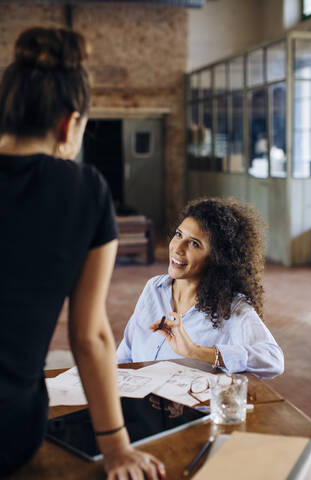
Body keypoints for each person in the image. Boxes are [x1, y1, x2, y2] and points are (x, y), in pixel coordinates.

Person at [0, 27, 165, 479]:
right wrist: (115, 448)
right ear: (70, 124)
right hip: (8, 434)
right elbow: (89, 337)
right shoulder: (82, 190)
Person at [117, 197, 284, 379]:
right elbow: (127, 349)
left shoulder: (231, 308)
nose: (177, 248)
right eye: (179, 235)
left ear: (217, 258)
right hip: (137, 400)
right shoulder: (154, 287)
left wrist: (195, 351)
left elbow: (273, 360)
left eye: (194, 243)